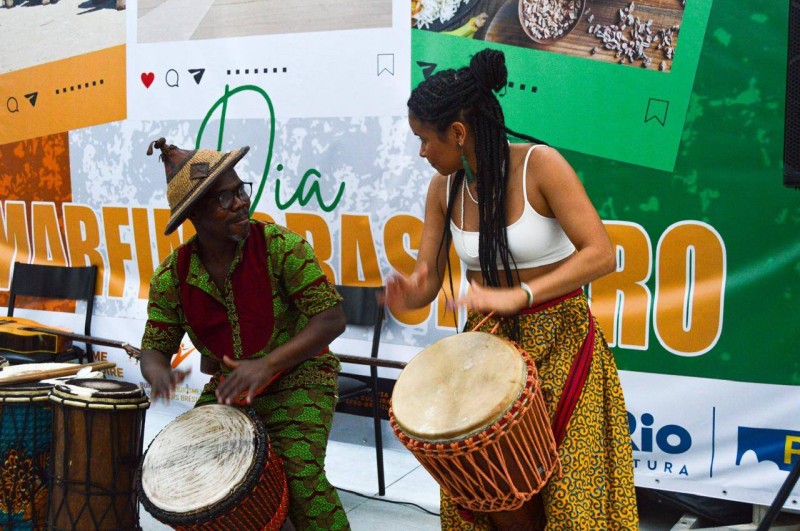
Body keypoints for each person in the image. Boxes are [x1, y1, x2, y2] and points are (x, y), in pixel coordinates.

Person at [385, 49, 638, 530]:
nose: (420, 152)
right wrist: (409, 294)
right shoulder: (444, 189)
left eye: (424, 140)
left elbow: (601, 254)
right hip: (484, 348)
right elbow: (427, 280)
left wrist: (519, 295)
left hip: (561, 342)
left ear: (458, 134)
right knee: (490, 495)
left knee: (567, 495)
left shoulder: (540, 165)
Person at [139, 138, 351, 530]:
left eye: (240, 190)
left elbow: (331, 319)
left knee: (301, 476)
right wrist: (159, 374)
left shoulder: (281, 247)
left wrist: (266, 364)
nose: (239, 202)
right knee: (195, 481)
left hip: (300, 375)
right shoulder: (172, 276)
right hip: (229, 387)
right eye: (224, 198)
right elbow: (153, 350)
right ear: (195, 214)